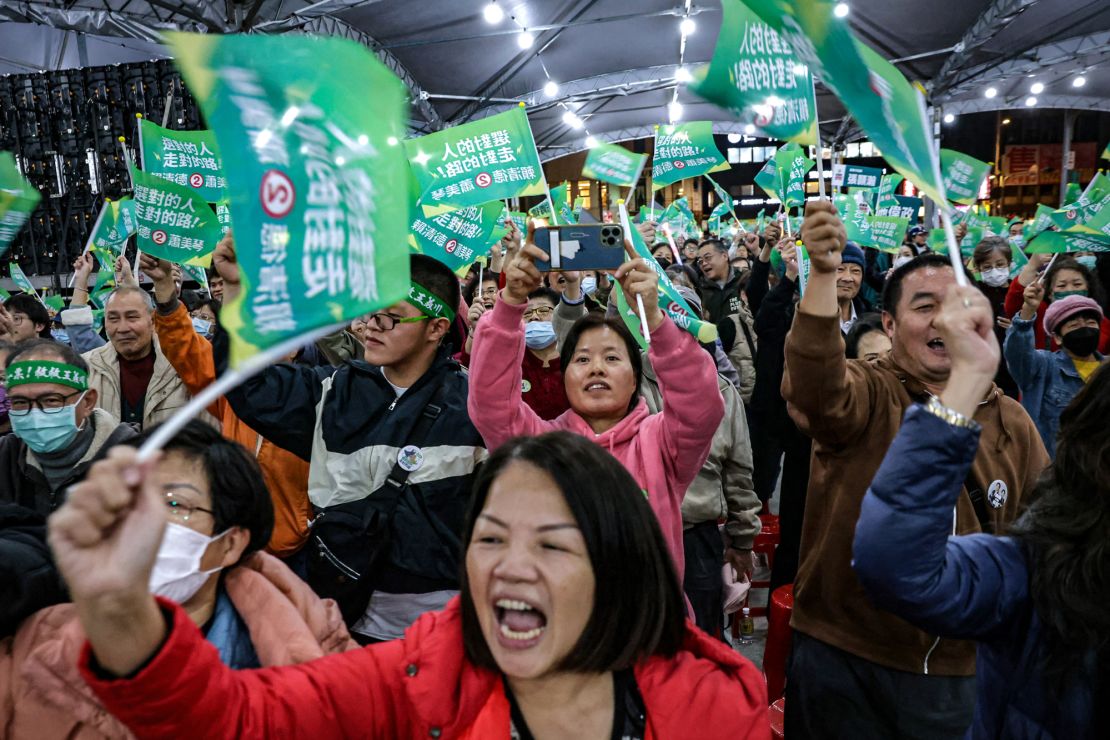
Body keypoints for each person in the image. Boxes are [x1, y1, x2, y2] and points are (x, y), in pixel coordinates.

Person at [57, 431, 769, 738]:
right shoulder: (413, 680)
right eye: (490, 538)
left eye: (553, 545)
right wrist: (119, 609)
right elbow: (241, 722)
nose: (510, 566)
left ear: (620, 564)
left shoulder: (715, 707)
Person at [780, 201, 1049, 738]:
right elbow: (813, 386)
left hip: (960, 669)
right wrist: (823, 276)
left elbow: (1043, 532)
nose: (943, 320)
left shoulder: (1011, 420)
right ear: (890, 322)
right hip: (844, 653)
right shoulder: (867, 389)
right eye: (925, 306)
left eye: (955, 306)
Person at [854, 292, 1109, 738]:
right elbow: (897, 565)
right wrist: (966, 383)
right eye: (923, 306)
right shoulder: (1036, 569)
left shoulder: (1012, 418)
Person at [3, 420, 357, 738]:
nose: (142, 521)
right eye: (130, 498)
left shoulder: (320, 643)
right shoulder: (35, 641)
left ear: (230, 544)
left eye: (174, 505)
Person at [223, 249, 486, 643]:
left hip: (447, 632)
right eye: (369, 314)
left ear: (436, 328)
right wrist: (234, 289)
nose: (371, 327)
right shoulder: (333, 390)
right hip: (348, 627)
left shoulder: (475, 406)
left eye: (389, 318)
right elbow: (247, 384)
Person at [468, 233, 724, 583]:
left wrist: (654, 318)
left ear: (635, 379)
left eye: (613, 357)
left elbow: (701, 407)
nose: (596, 368)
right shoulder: (541, 446)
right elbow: (490, 404)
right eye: (582, 358)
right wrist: (511, 300)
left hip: (645, 628)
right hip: (561, 626)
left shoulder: (660, 443)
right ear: (565, 376)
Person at [141, 248, 312, 560]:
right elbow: (187, 350)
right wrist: (165, 290)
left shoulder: (320, 397)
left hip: (297, 551)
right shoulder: (233, 391)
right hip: (234, 546)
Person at [0, 339, 135, 516]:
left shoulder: (133, 458)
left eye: (51, 400)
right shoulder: (5, 455)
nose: (34, 414)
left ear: (87, 402)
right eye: (20, 402)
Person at [60, 284, 209, 430]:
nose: (123, 328)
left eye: (132, 317)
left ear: (152, 321)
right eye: (113, 319)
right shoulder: (85, 369)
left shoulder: (182, 366)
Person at [1004, 291, 1104, 458]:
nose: (1085, 329)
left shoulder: (1106, 370)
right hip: (1055, 474)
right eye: (1074, 326)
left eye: (1091, 323)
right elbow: (1018, 354)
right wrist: (1027, 311)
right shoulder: (1043, 367)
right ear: (1057, 337)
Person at [1004, 255, 1110, 353]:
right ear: (1050, 292)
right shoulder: (1040, 314)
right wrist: (1032, 266)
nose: (1070, 290)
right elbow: (1014, 309)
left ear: (1088, 288)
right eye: (1062, 286)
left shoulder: (1103, 323)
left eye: (1077, 284)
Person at [972, 236, 1019, 398]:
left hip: (1014, 374)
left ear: (1009, 264)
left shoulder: (1019, 292)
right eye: (987, 267)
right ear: (977, 268)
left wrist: (1018, 327)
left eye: (1000, 265)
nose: (995, 271)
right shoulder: (974, 293)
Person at [833, 241, 871, 334]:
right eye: (840, 269)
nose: (848, 278)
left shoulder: (870, 318)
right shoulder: (810, 316)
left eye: (855, 271)